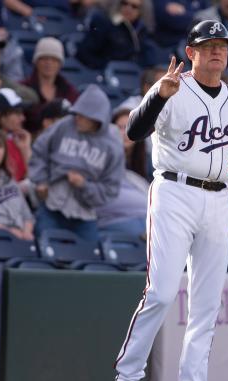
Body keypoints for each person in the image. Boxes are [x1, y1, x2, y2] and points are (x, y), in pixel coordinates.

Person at [108, 20, 228, 381]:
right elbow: (135, 132)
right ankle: (126, 380)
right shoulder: (172, 87)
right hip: (174, 190)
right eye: (208, 45)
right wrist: (159, 96)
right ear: (191, 53)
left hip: (220, 198)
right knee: (160, 293)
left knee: (207, 302)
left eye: (222, 45)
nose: (217, 51)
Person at [29, 84, 125, 244]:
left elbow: (110, 190)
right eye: (76, 113)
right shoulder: (65, 125)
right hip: (52, 206)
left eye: (82, 115)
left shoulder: (113, 146)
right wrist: (41, 180)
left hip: (84, 214)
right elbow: (40, 149)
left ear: (96, 118)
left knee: (89, 259)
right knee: (48, 252)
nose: (76, 118)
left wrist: (84, 185)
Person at [94, 108, 149, 237]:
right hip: (114, 229)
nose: (126, 133)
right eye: (120, 127)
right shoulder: (99, 160)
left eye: (131, 127)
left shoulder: (143, 166)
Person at [76, 0, 158, 70]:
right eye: (125, 3)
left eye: (134, 6)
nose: (128, 8)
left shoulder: (142, 30)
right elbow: (84, 53)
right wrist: (105, 66)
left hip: (131, 75)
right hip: (106, 74)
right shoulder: (104, 24)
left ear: (141, 11)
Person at [21, 37, 79, 134]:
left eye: (54, 59)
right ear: (36, 61)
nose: (49, 63)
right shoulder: (23, 87)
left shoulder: (70, 91)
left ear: (60, 64)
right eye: (44, 58)